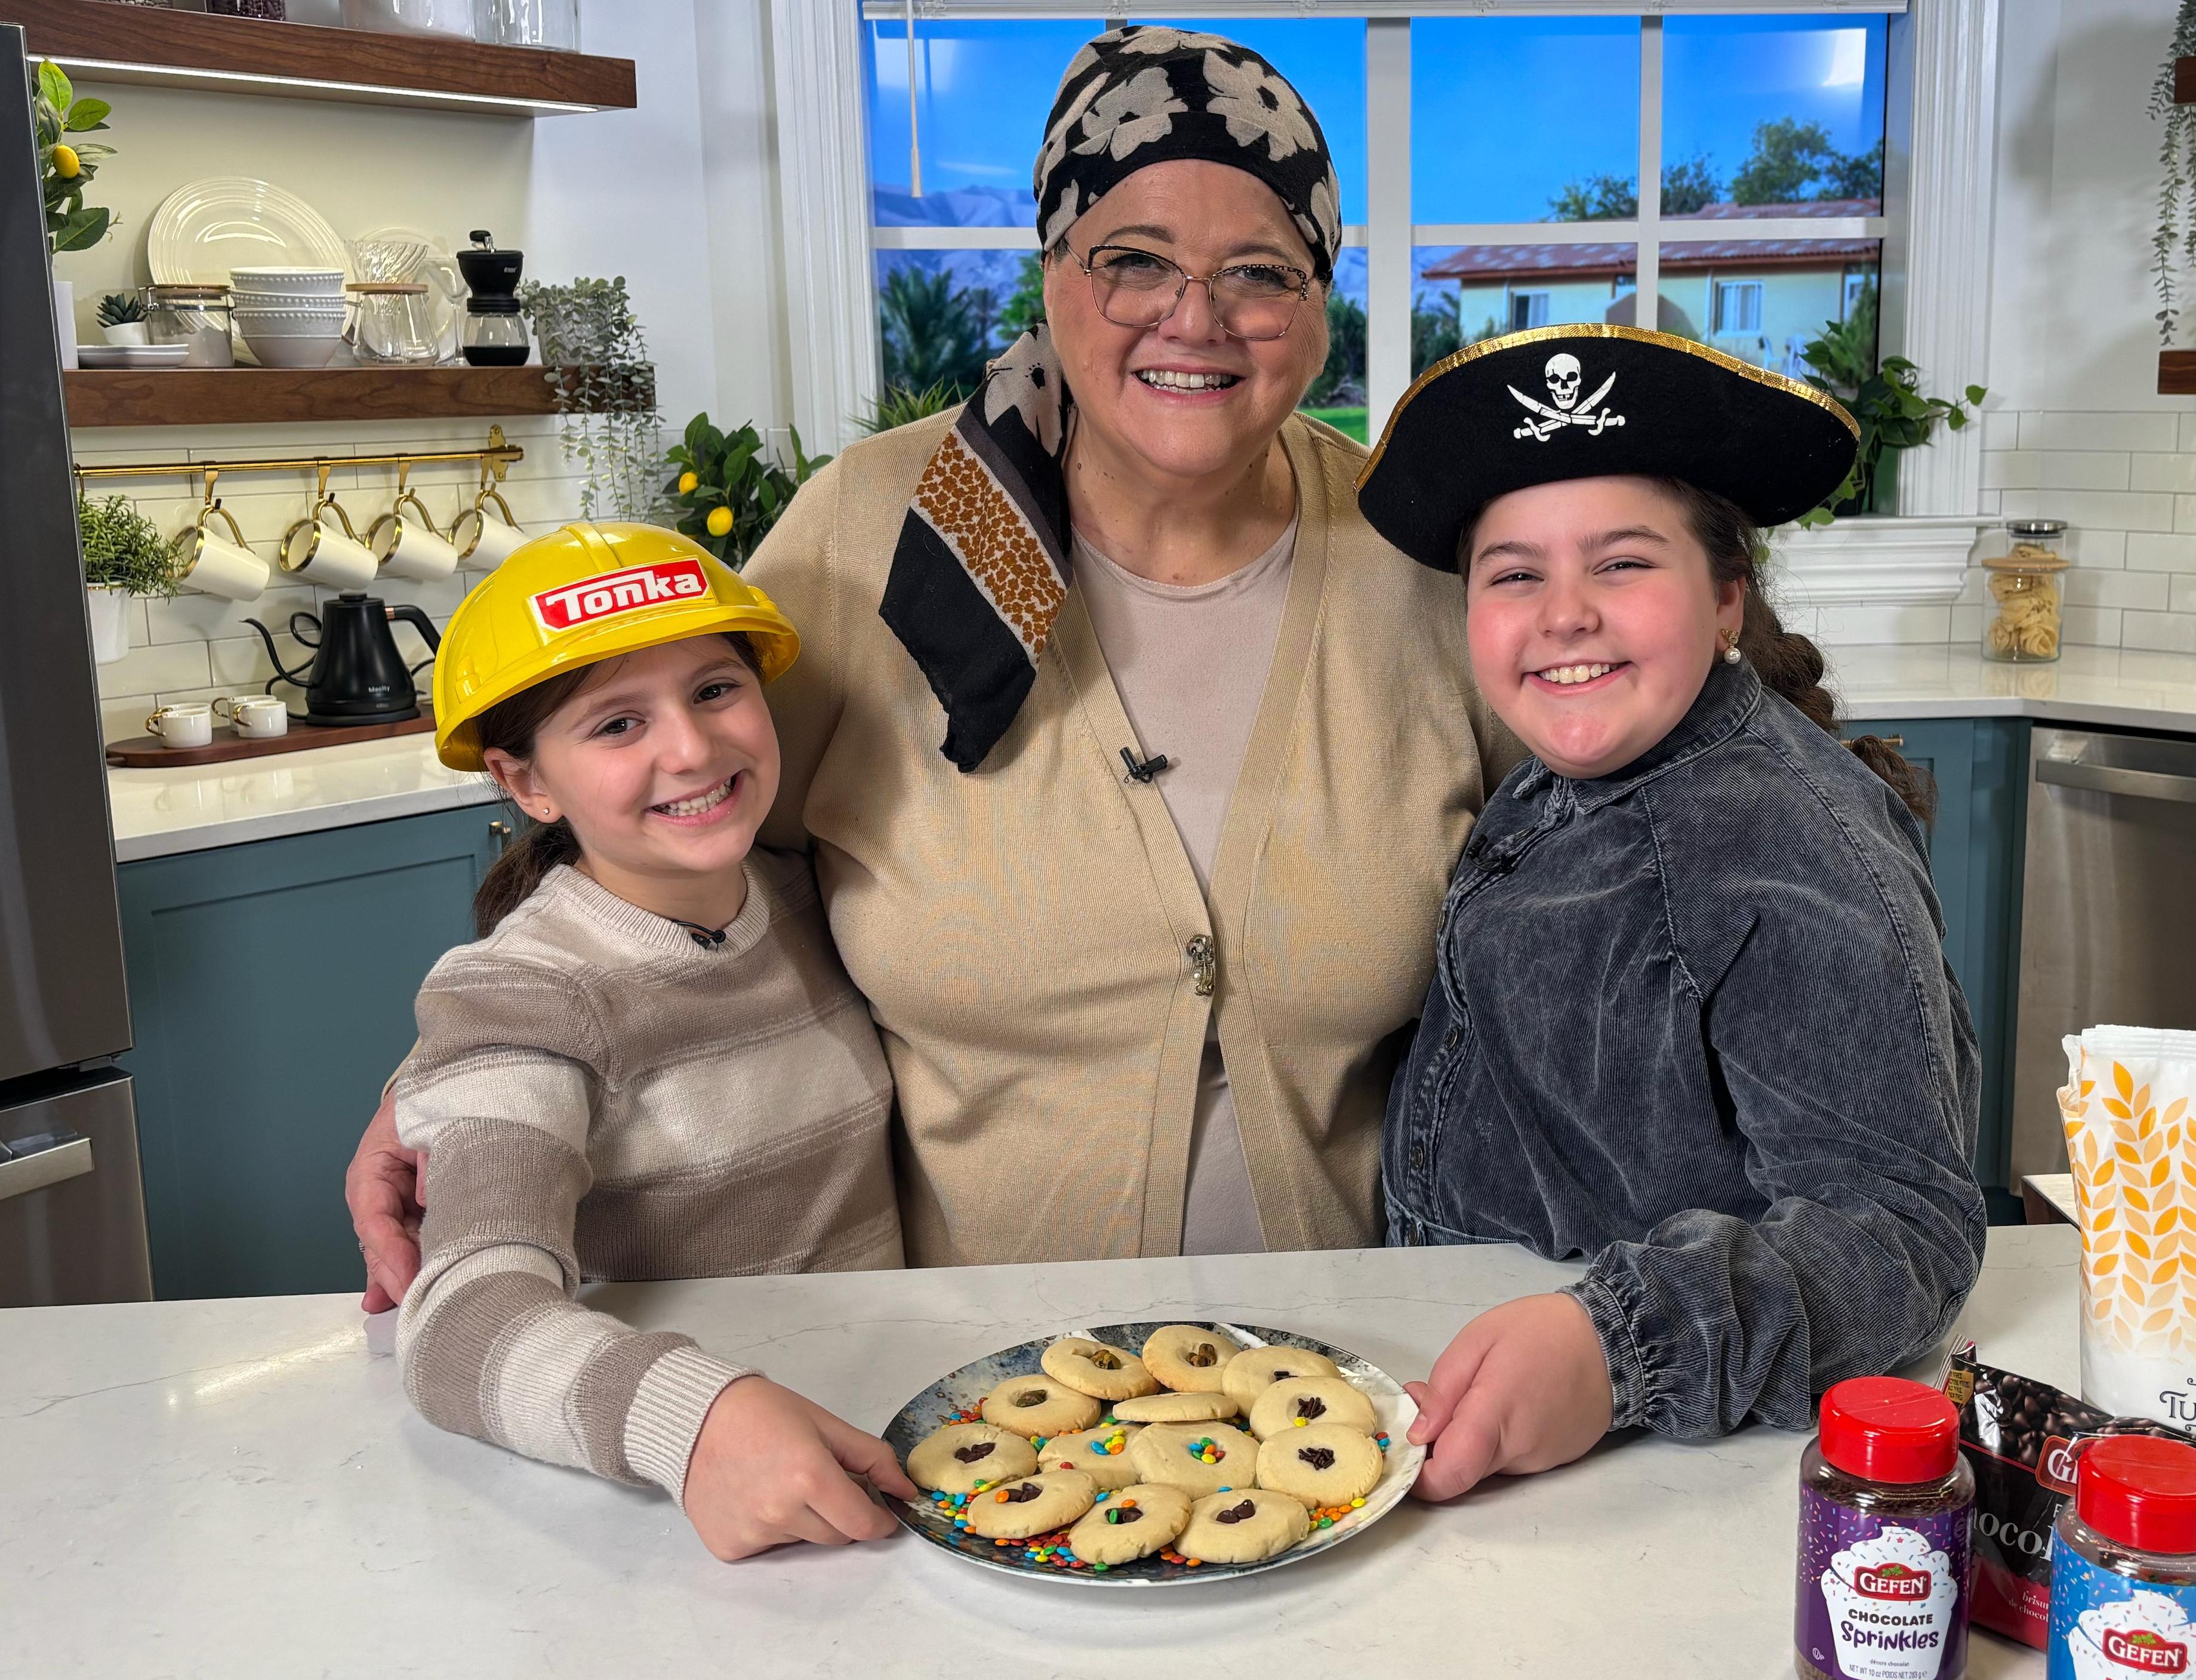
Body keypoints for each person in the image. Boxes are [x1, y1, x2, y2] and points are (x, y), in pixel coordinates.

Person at [346, 24, 1515, 1297]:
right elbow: (671, 852)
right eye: (1133, 260)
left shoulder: (1423, 555)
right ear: (1054, 269)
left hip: (1364, 1373)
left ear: (1320, 298)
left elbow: (1600, 865)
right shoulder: (877, 530)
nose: (1196, 318)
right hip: (966, 1384)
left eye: (1260, 273)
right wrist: (460, 1082)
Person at [1351, 326, 1988, 1502]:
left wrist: (1615, 1346)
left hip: (1668, 1470)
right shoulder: (1576, 771)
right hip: (1478, 1381)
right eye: (1515, 574)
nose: (1565, 615)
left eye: (1622, 563)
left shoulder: (1774, 843)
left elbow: (1903, 1234)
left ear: (1726, 598)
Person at [391, 522, 914, 1562]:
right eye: (618, 724)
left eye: (716, 690)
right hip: (683, 1500)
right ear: (525, 784)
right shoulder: (521, 990)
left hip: (882, 1415)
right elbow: (457, 1326)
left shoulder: (810, 894)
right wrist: (694, 1420)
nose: (691, 748)